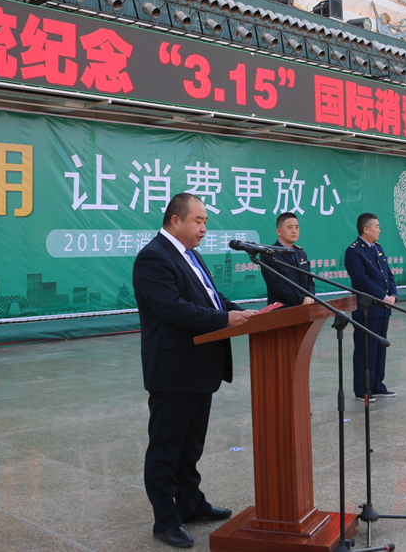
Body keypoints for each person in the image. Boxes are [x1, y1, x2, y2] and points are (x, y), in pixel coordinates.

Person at [132, 192, 257, 548]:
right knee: (166, 447)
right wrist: (225, 319)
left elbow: (211, 299)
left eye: (205, 221)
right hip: (174, 370)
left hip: (200, 366)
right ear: (175, 220)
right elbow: (173, 309)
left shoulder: (190, 255)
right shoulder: (154, 257)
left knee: (190, 446)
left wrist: (243, 313)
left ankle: (190, 504)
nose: (204, 228)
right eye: (198, 221)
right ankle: (165, 519)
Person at [345, 213, 398, 401]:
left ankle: (377, 385)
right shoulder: (354, 251)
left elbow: (388, 274)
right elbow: (361, 280)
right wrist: (383, 296)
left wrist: (393, 295)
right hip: (367, 309)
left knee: (380, 348)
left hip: (383, 308)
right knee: (365, 349)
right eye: (376, 226)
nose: (379, 230)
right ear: (366, 229)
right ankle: (363, 389)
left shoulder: (378, 248)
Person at [261, 212, 315, 308]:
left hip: (305, 307)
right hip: (282, 309)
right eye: (290, 227)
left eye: (297, 227)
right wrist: (302, 299)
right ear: (279, 231)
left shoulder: (301, 253)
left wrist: (310, 297)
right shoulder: (269, 255)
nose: (294, 231)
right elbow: (277, 286)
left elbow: (309, 280)